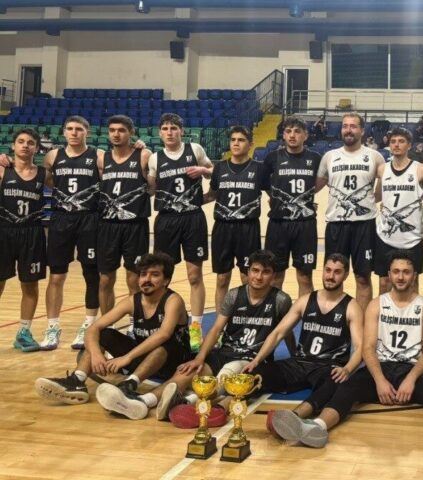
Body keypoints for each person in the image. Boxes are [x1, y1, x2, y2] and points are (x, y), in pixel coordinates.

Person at [269, 251, 423, 454]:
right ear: (389, 274)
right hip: (381, 368)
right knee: (346, 387)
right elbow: (368, 348)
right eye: (396, 272)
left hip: (412, 369)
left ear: (414, 275)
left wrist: (410, 380)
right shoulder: (376, 304)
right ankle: (317, 427)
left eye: (406, 272)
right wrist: (379, 381)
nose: (401, 277)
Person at [34, 252, 191, 421]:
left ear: (166, 281)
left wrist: (126, 358)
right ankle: (77, 381)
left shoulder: (173, 300)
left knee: (164, 343)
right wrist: (96, 355)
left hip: (174, 362)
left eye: (154, 275)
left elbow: (163, 334)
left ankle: (129, 385)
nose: (147, 279)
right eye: (143, 274)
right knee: (103, 334)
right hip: (145, 359)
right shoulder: (132, 301)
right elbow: (93, 328)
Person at [151, 250, 292, 420]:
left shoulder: (281, 300)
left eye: (266, 272)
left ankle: (185, 402)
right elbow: (216, 328)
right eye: (255, 270)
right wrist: (199, 358)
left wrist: (295, 356)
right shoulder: (234, 295)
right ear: (248, 272)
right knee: (189, 371)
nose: (259, 276)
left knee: (231, 371)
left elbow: (284, 332)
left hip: (253, 359)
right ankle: (146, 400)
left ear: (274, 275)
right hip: (225, 352)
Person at [252, 253, 363, 423]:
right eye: (328, 270)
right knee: (256, 372)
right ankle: (223, 406)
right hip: (299, 363)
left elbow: (360, 347)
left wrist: (347, 369)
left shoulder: (351, 307)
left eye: (337, 272)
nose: (330, 276)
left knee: (336, 382)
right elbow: (278, 333)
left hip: (328, 367)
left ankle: (295, 418)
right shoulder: (305, 301)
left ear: (346, 275)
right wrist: (257, 359)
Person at [147, 113, 213, 351]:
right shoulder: (155, 158)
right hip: (166, 220)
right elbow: (150, 189)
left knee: (195, 276)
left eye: (174, 128)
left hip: (193, 218)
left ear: (181, 131)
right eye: (165, 128)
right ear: (160, 133)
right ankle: (163, 322)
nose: (169, 132)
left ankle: (195, 327)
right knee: (162, 276)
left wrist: (203, 170)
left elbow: (214, 172)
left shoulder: (195, 149)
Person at [42, 116, 102, 350]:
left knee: (91, 274)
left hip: (89, 218)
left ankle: (89, 325)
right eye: (70, 129)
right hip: (61, 219)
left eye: (79, 129)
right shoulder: (53, 156)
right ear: (64, 132)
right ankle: (52, 327)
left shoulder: (98, 156)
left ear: (87, 132)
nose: (74, 132)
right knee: (56, 276)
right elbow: (48, 181)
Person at [316, 112, 385, 309]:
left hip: (365, 225)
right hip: (336, 224)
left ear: (362, 131)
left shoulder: (374, 156)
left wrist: (370, 200)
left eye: (353, 126)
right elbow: (315, 187)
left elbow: (384, 186)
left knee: (363, 277)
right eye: (345, 126)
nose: (348, 130)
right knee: (333, 275)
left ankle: (361, 321)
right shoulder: (330, 156)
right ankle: (333, 317)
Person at [95, 115, 152, 347]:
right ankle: (107, 325)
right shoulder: (101, 158)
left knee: (134, 279)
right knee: (105, 279)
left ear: (131, 132)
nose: (116, 134)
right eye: (112, 130)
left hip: (134, 225)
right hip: (108, 225)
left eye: (121, 130)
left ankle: (134, 323)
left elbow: (153, 186)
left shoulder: (144, 155)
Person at [204, 126, 262, 322]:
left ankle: (248, 321)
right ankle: (221, 324)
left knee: (248, 278)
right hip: (223, 227)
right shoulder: (220, 168)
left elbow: (273, 194)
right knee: (222, 278)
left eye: (241, 140)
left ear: (250, 144)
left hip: (248, 228)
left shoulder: (258, 169)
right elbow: (212, 195)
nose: (236, 143)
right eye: (233, 140)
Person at [261, 115, 321, 297]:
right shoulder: (272, 158)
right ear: (283, 135)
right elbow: (264, 183)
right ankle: (275, 312)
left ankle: (305, 314)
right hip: (278, 224)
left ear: (306, 135)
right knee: (275, 275)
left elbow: (321, 182)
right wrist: (275, 198)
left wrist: (307, 199)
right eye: (288, 131)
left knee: (305, 276)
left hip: (305, 224)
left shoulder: (315, 158)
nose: (292, 135)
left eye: (297, 131)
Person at [1, 128, 47, 352]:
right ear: (13, 145)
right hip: (4, 231)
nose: (25, 145)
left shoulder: (44, 174)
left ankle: (24, 332)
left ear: (36, 148)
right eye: (21, 141)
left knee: (30, 284)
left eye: (30, 142)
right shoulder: (3, 170)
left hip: (32, 233)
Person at [374, 127, 423, 294]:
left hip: (411, 237)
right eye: (393, 141)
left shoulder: (421, 169)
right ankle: (384, 311)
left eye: (401, 141)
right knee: (384, 283)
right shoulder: (382, 169)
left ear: (409, 145)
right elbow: (377, 196)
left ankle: (413, 311)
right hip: (385, 236)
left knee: (412, 283)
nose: (396, 145)